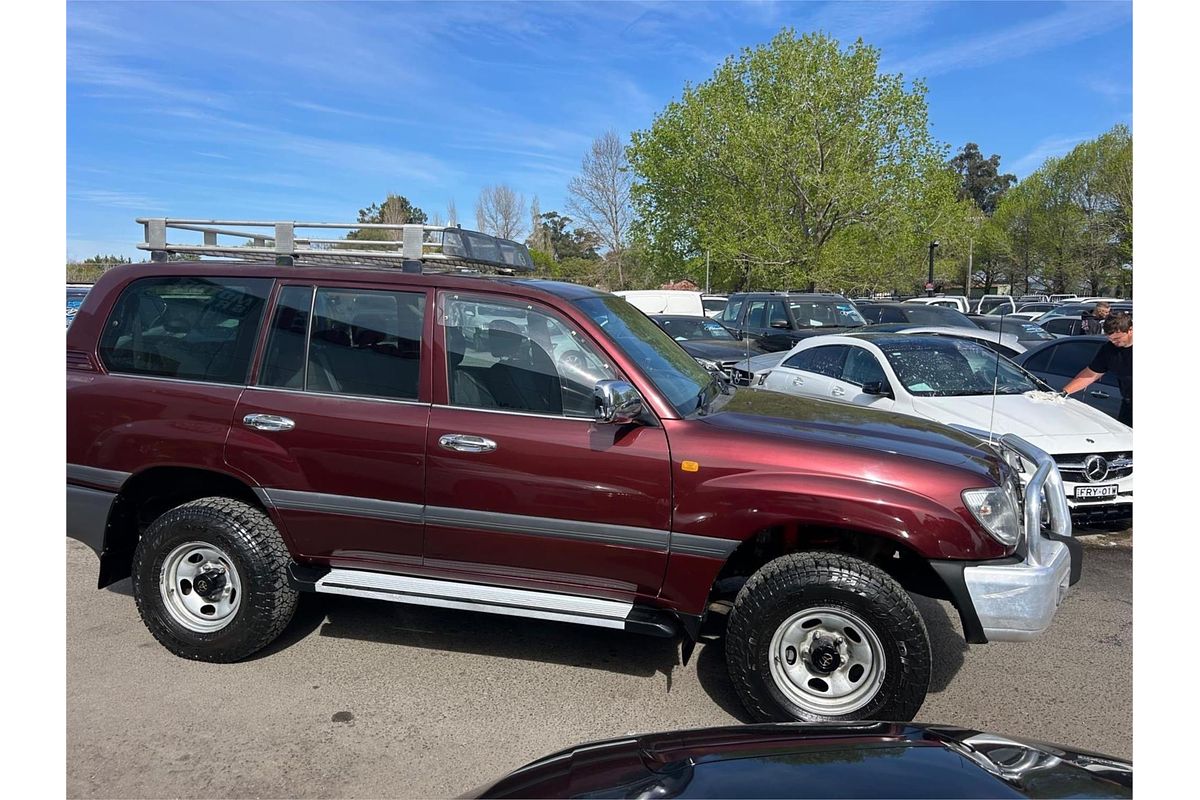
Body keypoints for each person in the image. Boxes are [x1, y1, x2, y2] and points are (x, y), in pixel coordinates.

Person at [1063, 313, 1132, 427]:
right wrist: (1064, 392)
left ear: (1130, 330)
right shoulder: (1109, 349)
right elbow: (1091, 373)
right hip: (1128, 405)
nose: (1114, 342)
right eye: (1111, 339)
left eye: (1118, 338)